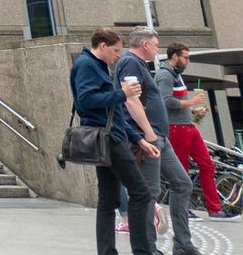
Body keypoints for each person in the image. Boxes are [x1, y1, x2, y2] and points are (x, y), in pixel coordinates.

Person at [72, 27, 159, 255]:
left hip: (109, 137)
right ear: (102, 46)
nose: (118, 55)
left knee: (108, 200)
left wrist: (138, 140)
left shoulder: (96, 65)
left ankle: (108, 252)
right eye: (115, 50)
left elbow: (115, 113)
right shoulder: (86, 65)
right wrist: (123, 93)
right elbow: (86, 100)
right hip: (108, 139)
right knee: (141, 193)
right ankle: (142, 251)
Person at [116, 27, 198, 255]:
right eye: (155, 44)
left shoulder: (140, 65)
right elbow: (130, 100)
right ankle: (147, 249)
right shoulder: (130, 62)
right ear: (145, 45)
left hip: (160, 138)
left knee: (182, 183)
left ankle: (182, 244)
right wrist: (147, 134)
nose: (157, 49)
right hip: (148, 138)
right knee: (148, 194)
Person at [160, 42, 234, 219]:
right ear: (175, 56)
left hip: (187, 126)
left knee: (207, 164)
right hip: (176, 128)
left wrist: (192, 111)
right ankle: (184, 208)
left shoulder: (176, 75)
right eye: (185, 57)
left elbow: (175, 103)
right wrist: (191, 104)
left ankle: (214, 208)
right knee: (181, 169)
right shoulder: (165, 75)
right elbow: (164, 101)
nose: (188, 61)